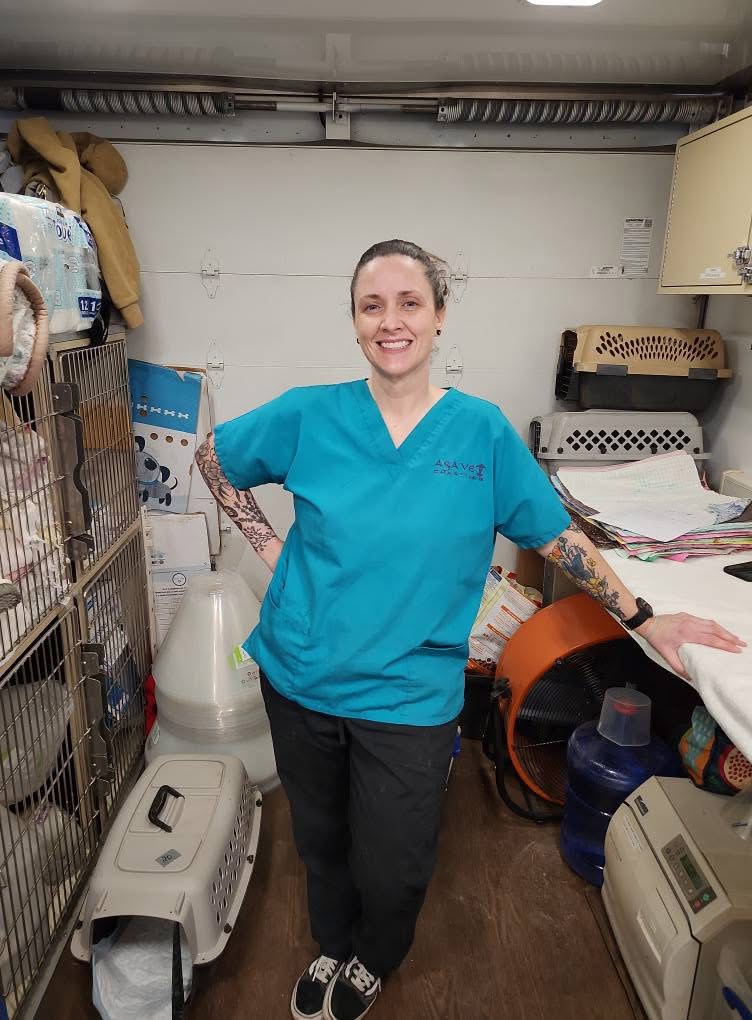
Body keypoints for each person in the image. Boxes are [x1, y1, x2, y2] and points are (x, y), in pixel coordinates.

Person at [195, 239, 745, 1020]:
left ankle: (373, 957)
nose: (390, 321)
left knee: (395, 860)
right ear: (355, 322)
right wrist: (269, 545)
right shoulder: (309, 414)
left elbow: (556, 537)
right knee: (320, 840)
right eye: (372, 306)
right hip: (302, 675)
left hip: (410, 696)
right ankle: (332, 943)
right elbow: (214, 459)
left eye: (409, 303)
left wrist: (646, 619)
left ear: (439, 316)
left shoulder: (479, 433)